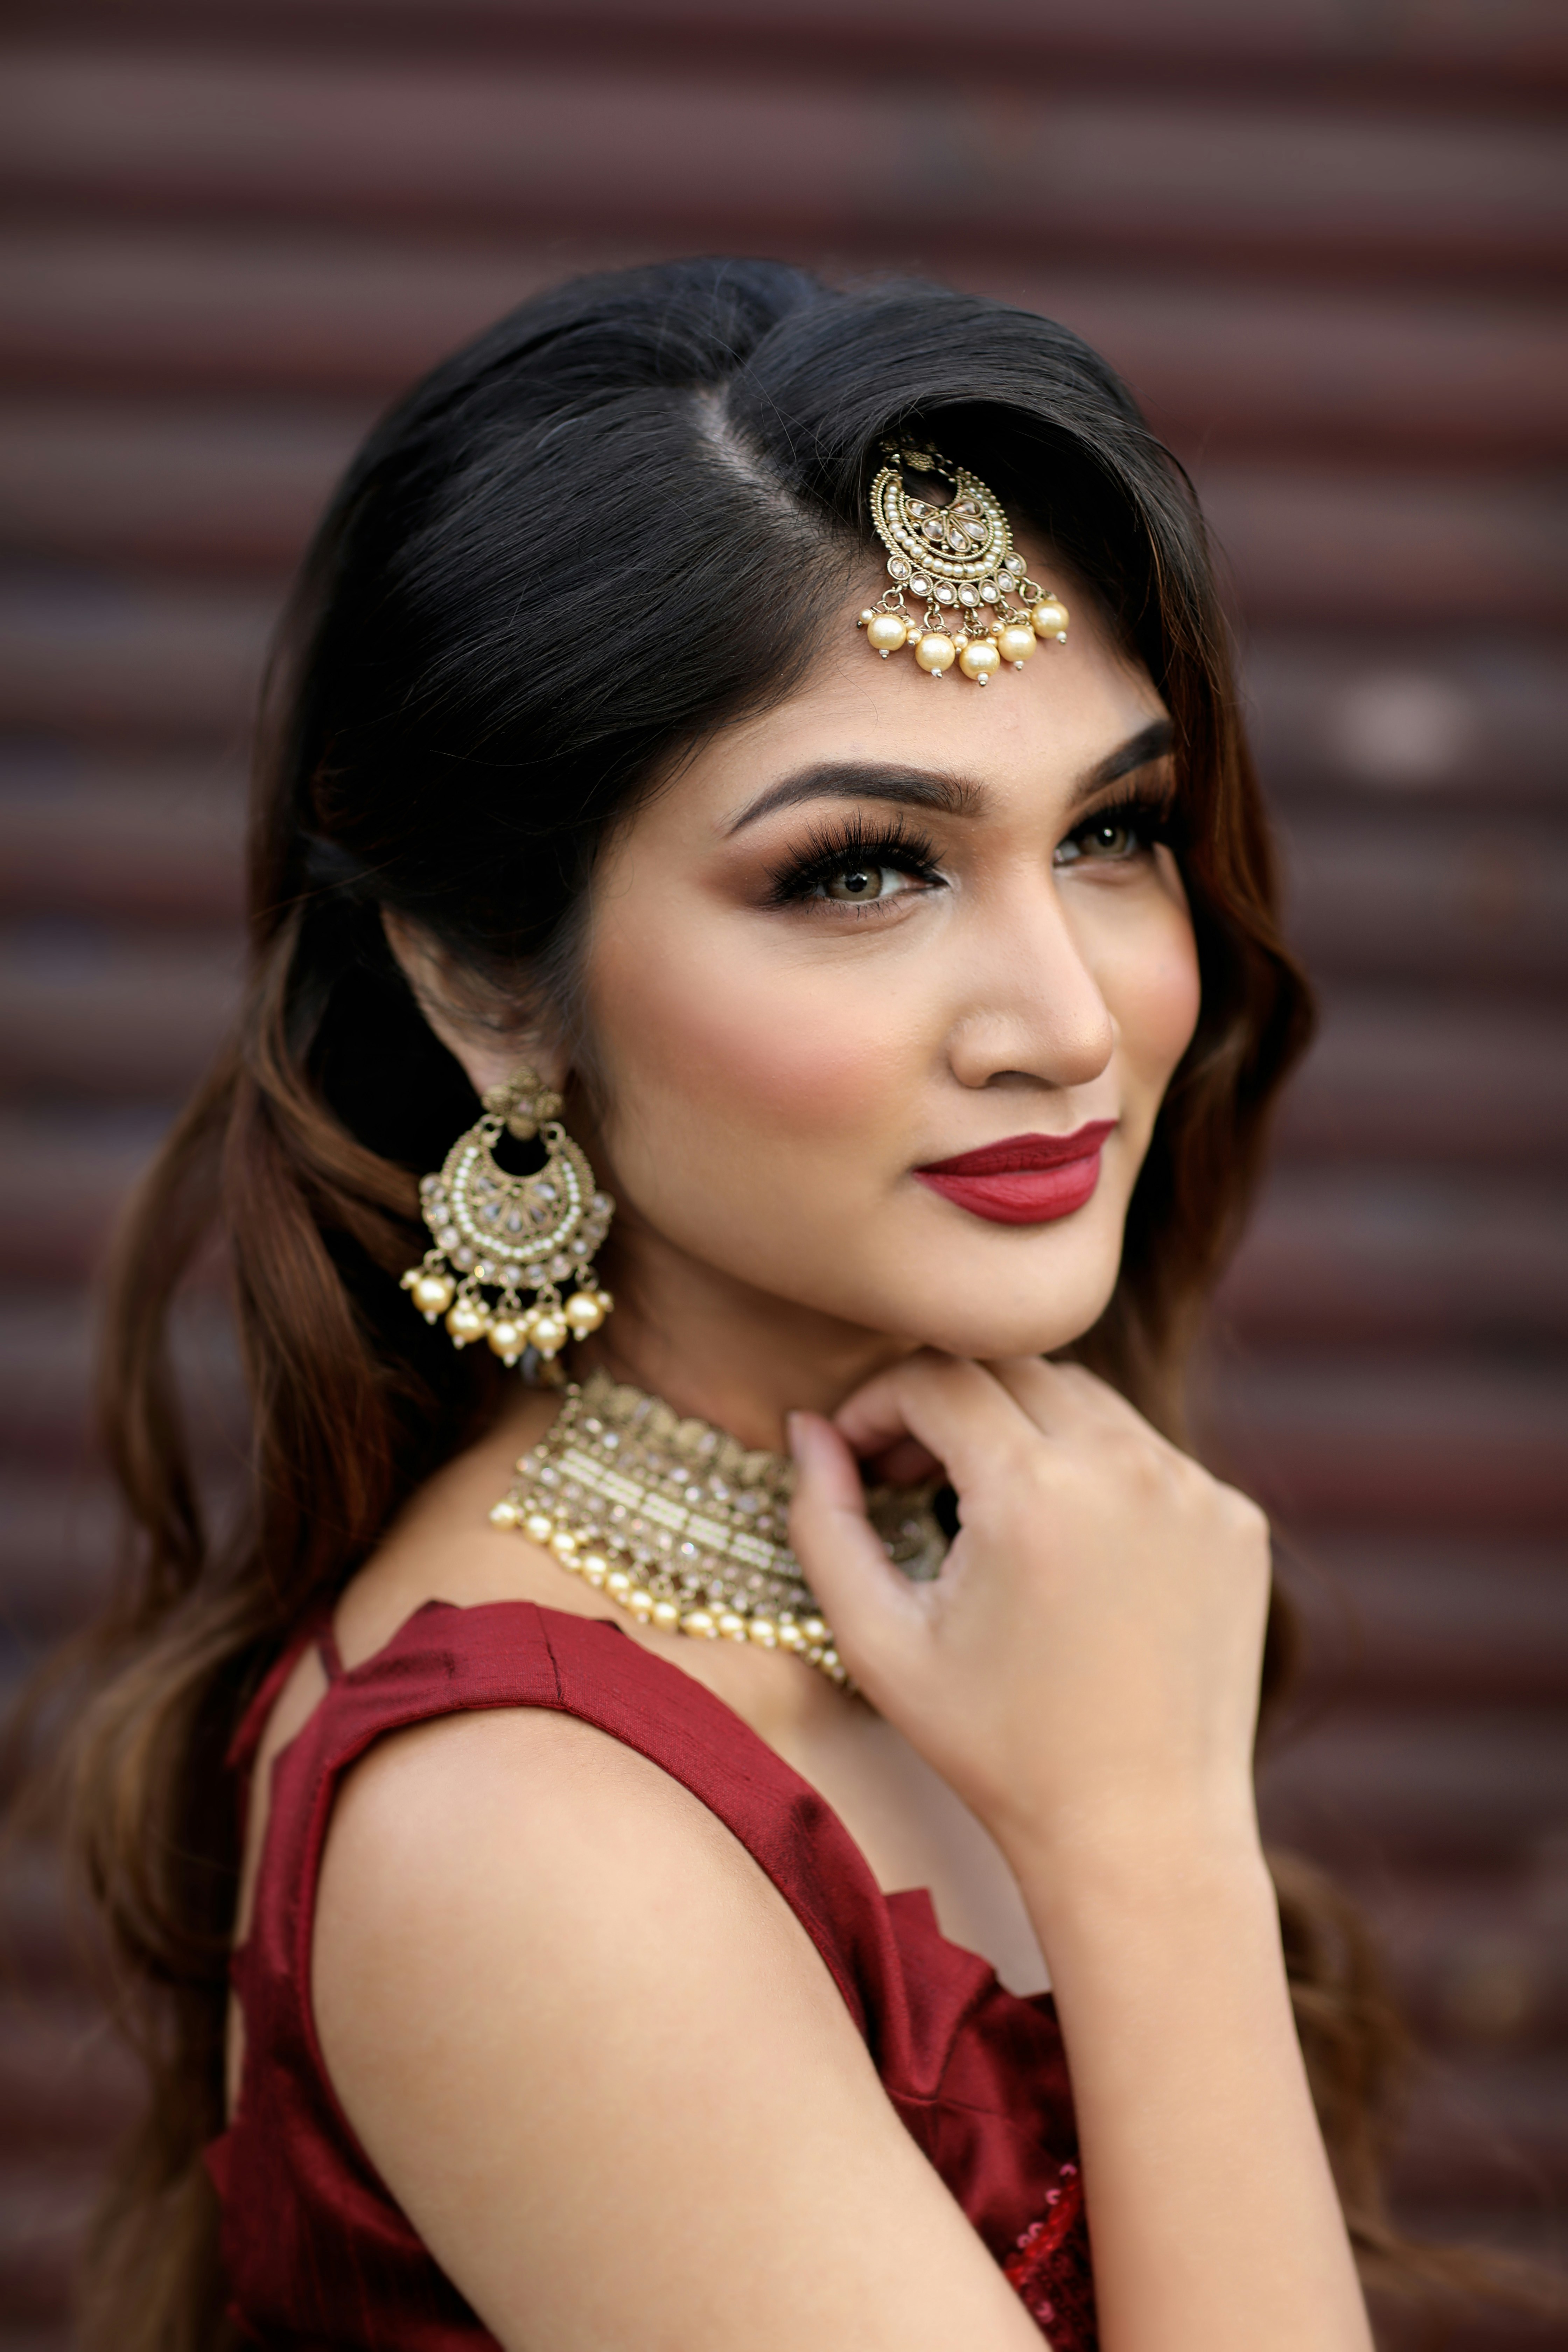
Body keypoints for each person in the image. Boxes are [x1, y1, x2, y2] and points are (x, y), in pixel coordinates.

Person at [69, 257, 1400, 2351]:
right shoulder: (523, 1828)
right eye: (864, 867)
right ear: (483, 985)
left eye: (1116, 832)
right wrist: (1150, 1850)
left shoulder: (1012, 1572)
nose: (1070, 1021)